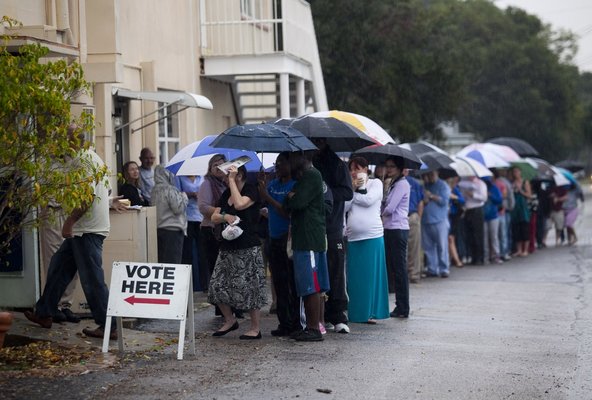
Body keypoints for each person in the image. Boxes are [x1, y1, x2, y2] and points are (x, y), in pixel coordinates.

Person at [25, 149, 118, 340]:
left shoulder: (82, 161)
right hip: (85, 229)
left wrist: (69, 222)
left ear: (71, 142)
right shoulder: (91, 156)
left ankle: (109, 325)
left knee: (92, 279)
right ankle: (44, 312)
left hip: (87, 230)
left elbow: (87, 197)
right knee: (59, 267)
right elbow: (102, 190)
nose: (59, 146)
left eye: (62, 142)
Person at [208, 165, 266, 340]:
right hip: (228, 246)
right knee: (217, 285)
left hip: (248, 245)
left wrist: (232, 180)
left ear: (239, 175)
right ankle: (230, 320)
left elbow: (240, 204)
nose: (224, 179)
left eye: (228, 176)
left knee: (250, 287)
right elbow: (214, 216)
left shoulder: (251, 190)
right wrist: (226, 217)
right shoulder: (226, 194)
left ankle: (255, 328)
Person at [284, 151, 330, 341]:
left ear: (302, 157)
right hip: (307, 237)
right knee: (309, 284)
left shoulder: (312, 175)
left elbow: (296, 202)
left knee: (311, 284)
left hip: (308, 238)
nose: (289, 162)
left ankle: (313, 328)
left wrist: (290, 197)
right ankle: (312, 326)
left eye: (291, 158)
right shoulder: (306, 177)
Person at [312, 138, 353, 334]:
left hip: (333, 225)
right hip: (313, 225)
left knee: (336, 271)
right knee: (317, 273)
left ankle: (339, 315)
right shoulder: (307, 161)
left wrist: (325, 191)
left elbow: (347, 192)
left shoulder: (337, 164)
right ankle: (321, 315)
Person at [258, 152, 300, 336]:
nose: (278, 167)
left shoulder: (295, 185)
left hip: (287, 238)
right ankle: (284, 323)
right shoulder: (273, 184)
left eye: (282, 163)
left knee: (291, 282)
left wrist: (267, 197)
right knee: (279, 282)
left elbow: (287, 213)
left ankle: (296, 322)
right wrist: (262, 188)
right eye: (277, 163)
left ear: (291, 165)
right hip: (272, 238)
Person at [345, 156, 389, 323]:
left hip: (373, 235)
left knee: (371, 277)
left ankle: (371, 312)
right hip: (354, 237)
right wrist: (352, 189)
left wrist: (356, 191)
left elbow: (369, 200)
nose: (355, 172)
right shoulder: (349, 186)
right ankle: (357, 313)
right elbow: (345, 206)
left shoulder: (376, 183)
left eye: (358, 168)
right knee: (356, 278)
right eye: (352, 169)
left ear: (366, 170)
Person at [381, 156, 410, 318]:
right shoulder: (393, 184)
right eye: (387, 166)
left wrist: (379, 213)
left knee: (399, 269)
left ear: (399, 168)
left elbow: (390, 208)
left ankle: (403, 307)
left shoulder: (402, 184)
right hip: (390, 228)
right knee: (393, 268)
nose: (389, 169)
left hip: (397, 228)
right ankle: (399, 305)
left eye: (392, 167)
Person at [198, 154, 228, 291]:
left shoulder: (227, 185)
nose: (218, 167)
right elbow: (203, 207)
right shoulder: (207, 184)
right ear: (210, 168)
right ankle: (219, 306)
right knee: (215, 268)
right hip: (210, 230)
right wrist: (224, 213)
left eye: (221, 164)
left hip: (225, 230)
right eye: (215, 165)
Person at [152, 165, 188, 264]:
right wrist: (184, 197)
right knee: (173, 264)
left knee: (162, 262)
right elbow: (178, 209)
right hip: (173, 230)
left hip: (158, 229)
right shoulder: (170, 190)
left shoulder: (154, 190)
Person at [421, 170, 451, 277]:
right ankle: (432, 269)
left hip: (440, 220)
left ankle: (444, 269)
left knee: (442, 246)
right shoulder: (425, 185)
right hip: (426, 220)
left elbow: (444, 201)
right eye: (428, 174)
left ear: (437, 173)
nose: (430, 176)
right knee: (428, 247)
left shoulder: (443, 185)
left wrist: (432, 196)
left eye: (432, 174)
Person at [178, 175, 206, 291]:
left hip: (200, 217)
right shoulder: (179, 178)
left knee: (202, 253)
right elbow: (178, 194)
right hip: (187, 217)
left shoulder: (201, 178)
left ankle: (204, 284)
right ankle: (190, 284)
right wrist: (190, 194)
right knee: (188, 253)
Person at [459, 176, 487, 265]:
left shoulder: (480, 184)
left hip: (477, 209)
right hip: (468, 209)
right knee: (469, 234)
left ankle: (480, 257)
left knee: (478, 234)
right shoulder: (464, 183)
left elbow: (484, 197)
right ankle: (472, 256)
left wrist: (473, 195)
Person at [405, 170, 424, 284]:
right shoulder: (392, 181)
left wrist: (418, 218)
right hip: (399, 217)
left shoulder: (414, 183)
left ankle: (414, 273)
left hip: (412, 215)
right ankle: (406, 273)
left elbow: (420, 202)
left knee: (414, 247)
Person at [510, 166, 532, 257]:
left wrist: (521, 190)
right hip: (515, 208)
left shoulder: (525, 182)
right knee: (516, 229)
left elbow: (529, 195)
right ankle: (519, 249)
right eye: (514, 172)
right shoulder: (512, 183)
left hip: (523, 207)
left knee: (525, 228)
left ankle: (525, 249)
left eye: (517, 172)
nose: (515, 174)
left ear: (520, 172)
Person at [493, 168, 515, 261]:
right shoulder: (492, 184)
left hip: (501, 210)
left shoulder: (502, 183)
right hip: (497, 211)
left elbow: (506, 196)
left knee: (502, 233)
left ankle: (504, 252)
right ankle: (501, 252)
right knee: (500, 233)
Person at [483, 177, 503, 264]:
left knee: (494, 237)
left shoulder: (494, 188)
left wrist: (490, 195)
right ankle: (486, 256)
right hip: (483, 216)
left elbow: (499, 200)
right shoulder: (481, 187)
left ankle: (496, 255)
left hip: (493, 215)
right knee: (485, 237)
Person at [447, 176, 465, 268]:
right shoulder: (443, 189)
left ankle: (456, 260)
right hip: (445, 216)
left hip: (453, 217)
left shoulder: (455, 190)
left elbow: (462, 200)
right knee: (449, 239)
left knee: (450, 239)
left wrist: (454, 197)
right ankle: (452, 259)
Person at [563, 181, 584, 246]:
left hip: (573, 209)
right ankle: (569, 239)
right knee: (567, 226)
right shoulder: (564, 191)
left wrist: (576, 183)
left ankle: (575, 237)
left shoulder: (574, 191)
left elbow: (580, 191)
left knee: (569, 224)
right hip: (565, 209)